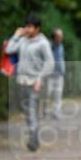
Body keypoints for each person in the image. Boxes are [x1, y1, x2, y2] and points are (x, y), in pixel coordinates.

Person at [5, 15, 55, 151]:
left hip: (35, 82)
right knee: (27, 111)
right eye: (26, 26)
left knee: (32, 110)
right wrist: (16, 35)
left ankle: (33, 141)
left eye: (30, 27)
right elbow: (9, 50)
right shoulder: (22, 40)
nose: (27, 29)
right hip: (22, 81)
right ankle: (34, 136)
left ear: (37, 28)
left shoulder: (43, 43)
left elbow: (50, 63)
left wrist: (40, 78)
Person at [43, 28, 65, 118]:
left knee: (58, 94)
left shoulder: (61, 46)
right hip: (50, 73)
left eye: (61, 36)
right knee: (47, 93)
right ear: (54, 37)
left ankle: (56, 112)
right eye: (59, 36)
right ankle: (46, 111)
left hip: (59, 73)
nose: (61, 38)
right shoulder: (47, 45)